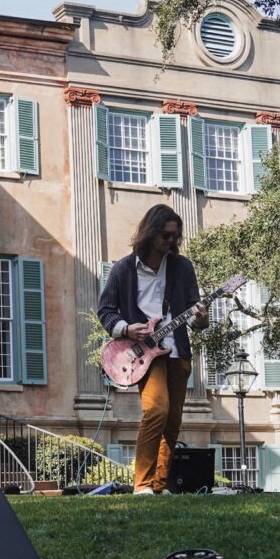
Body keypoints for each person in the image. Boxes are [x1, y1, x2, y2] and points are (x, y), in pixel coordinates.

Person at [97, 204, 208, 495]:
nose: (171, 242)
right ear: (150, 233)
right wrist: (126, 328)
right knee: (156, 410)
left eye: (175, 236)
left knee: (172, 423)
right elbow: (106, 310)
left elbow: (195, 315)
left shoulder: (182, 267)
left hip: (178, 351)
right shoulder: (124, 269)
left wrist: (201, 319)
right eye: (165, 236)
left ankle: (159, 486)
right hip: (145, 355)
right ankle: (142, 483)